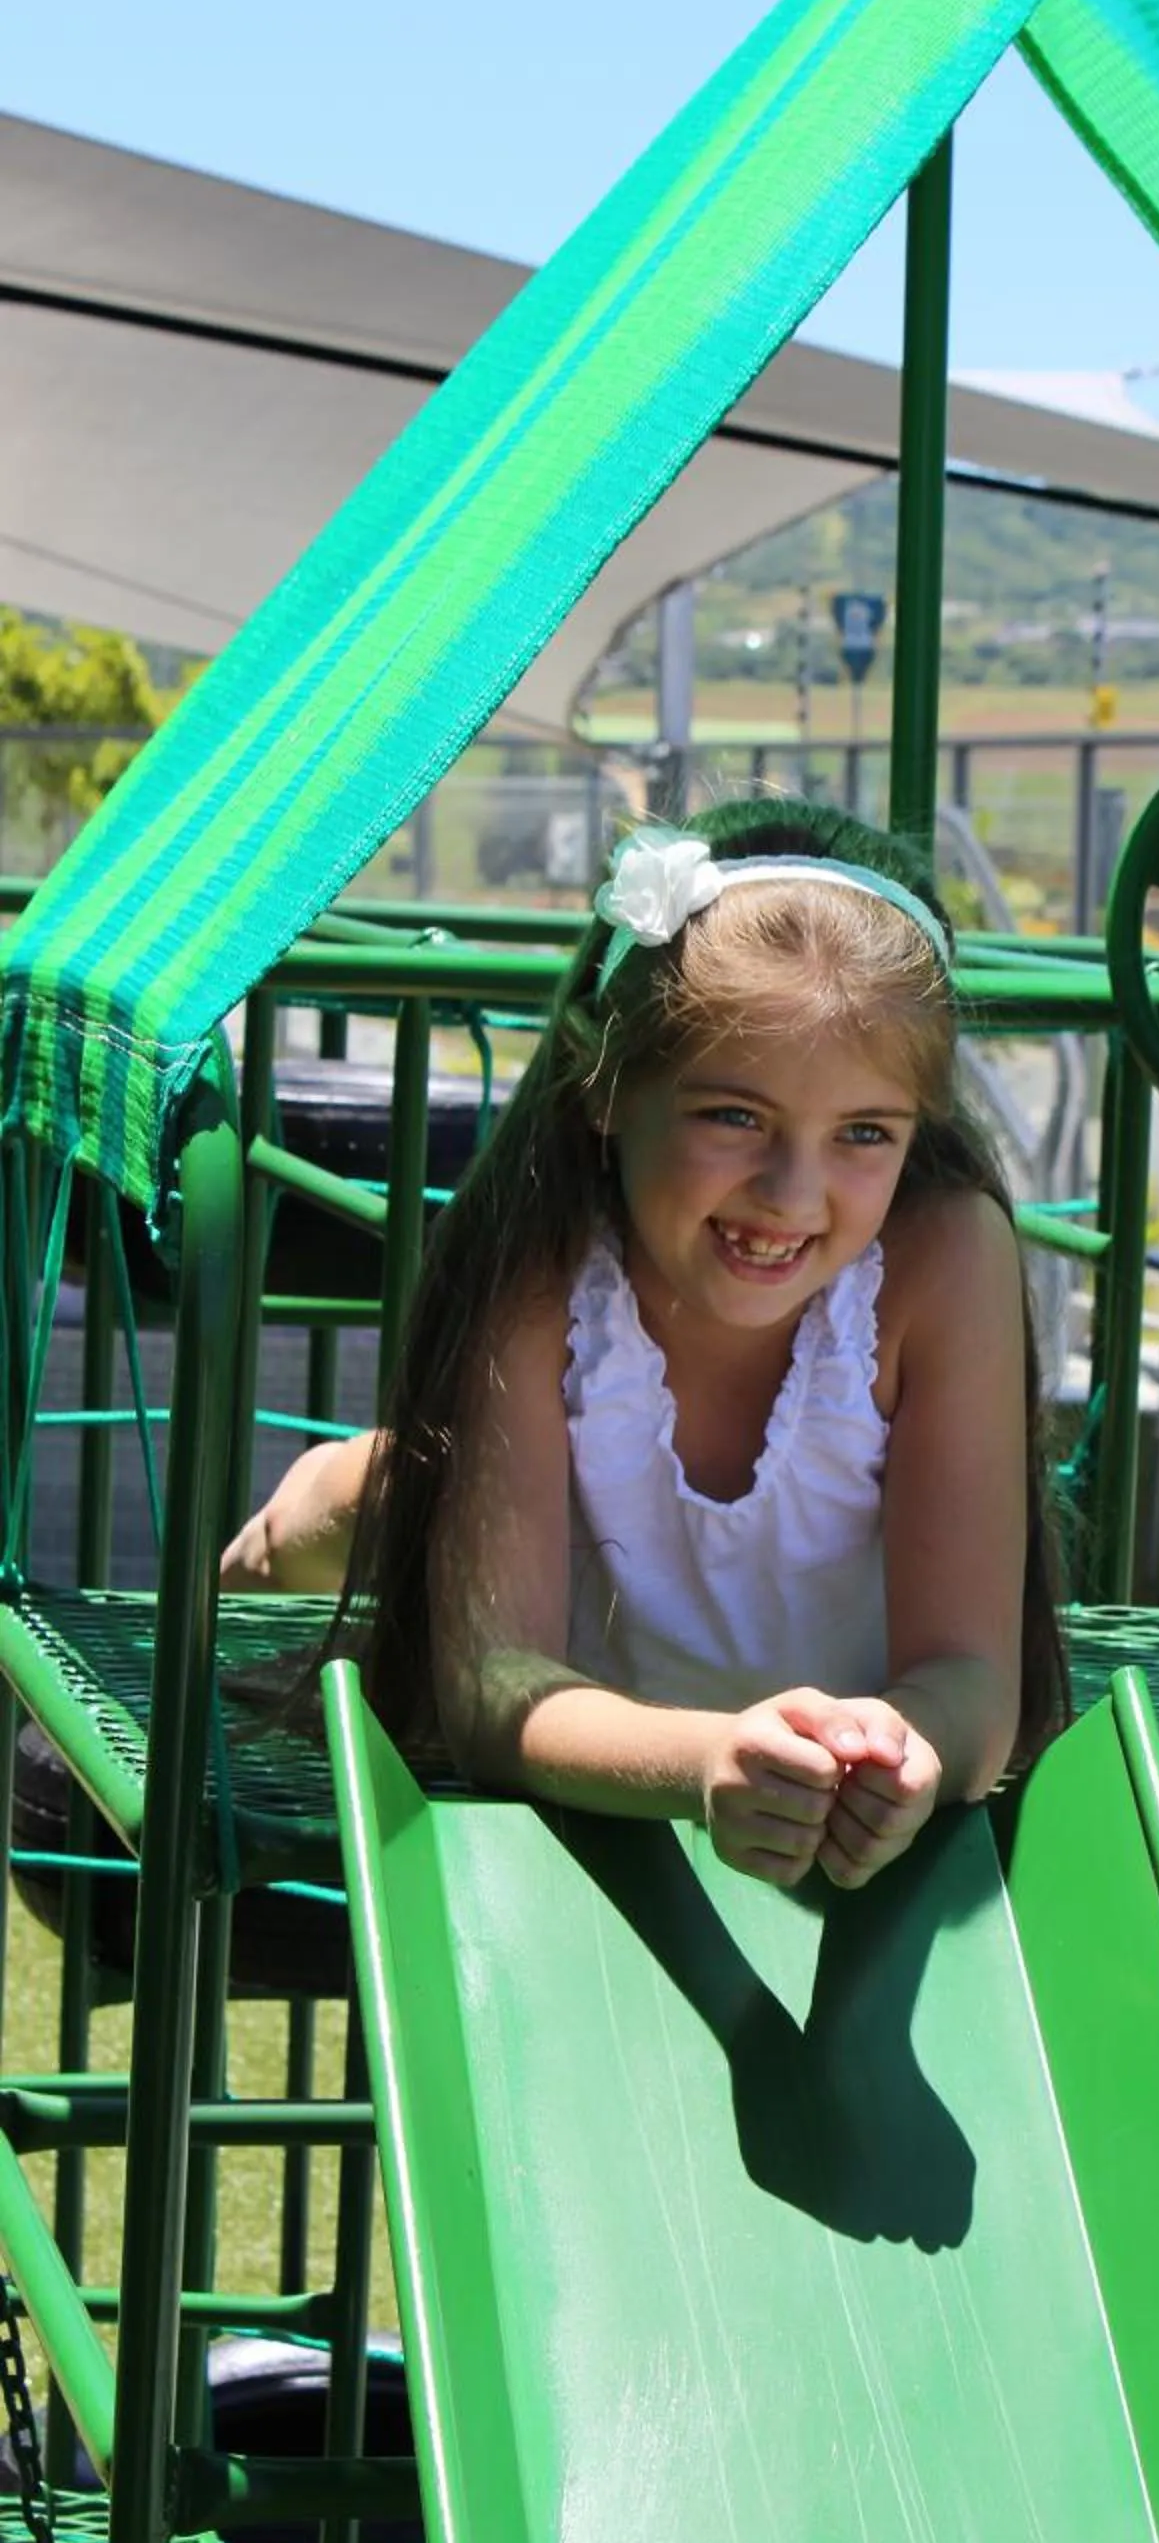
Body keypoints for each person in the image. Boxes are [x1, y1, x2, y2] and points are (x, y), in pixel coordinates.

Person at [225, 800, 1066, 1885]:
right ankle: (314, 1503)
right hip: (568, 1614)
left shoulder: (945, 1257)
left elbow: (967, 1679)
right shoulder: (542, 1256)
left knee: (465, 1488)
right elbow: (494, 1687)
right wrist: (706, 1758)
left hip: (685, 1627)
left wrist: (905, 1749)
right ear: (606, 1085)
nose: (791, 1194)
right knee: (391, 1500)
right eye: (733, 1116)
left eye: (864, 1133)